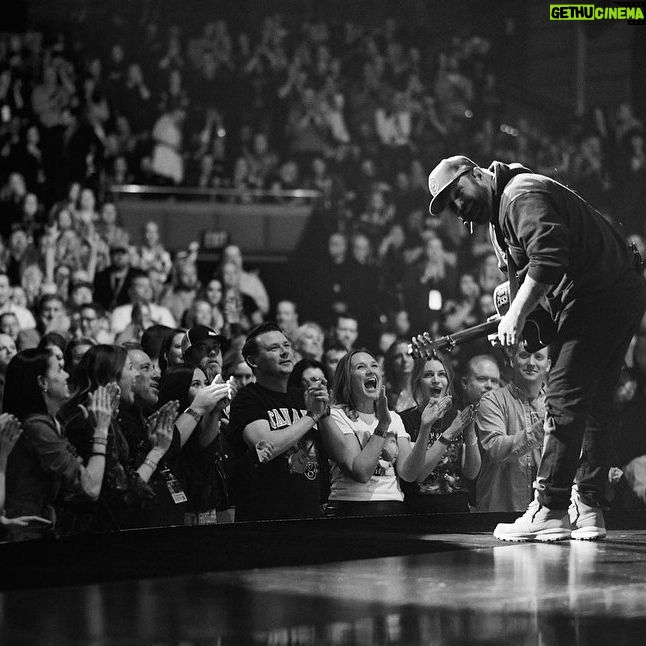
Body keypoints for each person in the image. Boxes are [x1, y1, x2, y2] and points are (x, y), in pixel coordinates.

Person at [427, 154, 646, 541]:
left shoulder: (519, 195)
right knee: (594, 403)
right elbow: (543, 292)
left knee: (561, 400)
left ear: (476, 173)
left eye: (457, 193)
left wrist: (514, 316)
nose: (459, 207)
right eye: (451, 205)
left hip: (594, 294)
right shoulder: (509, 203)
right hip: (619, 292)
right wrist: (521, 319)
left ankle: (550, 508)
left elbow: (548, 259)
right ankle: (590, 507)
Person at [3, 349, 111, 540]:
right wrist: (101, 432)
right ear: (42, 382)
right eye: (60, 369)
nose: (67, 374)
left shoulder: (51, 423)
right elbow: (90, 488)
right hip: (23, 535)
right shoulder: (36, 428)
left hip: (41, 529)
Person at [227, 322, 329, 521]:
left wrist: (325, 412)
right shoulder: (247, 399)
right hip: (266, 519)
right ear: (253, 360)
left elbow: (332, 455)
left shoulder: (303, 397)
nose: (284, 352)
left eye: (287, 346)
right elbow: (265, 446)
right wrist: (312, 416)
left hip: (310, 516)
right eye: (274, 348)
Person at [320, 349, 433, 517]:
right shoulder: (337, 416)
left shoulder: (394, 417)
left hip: (393, 508)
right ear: (347, 379)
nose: (370, 370)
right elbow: (361, 472)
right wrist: (383, 425)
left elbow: (409, 474)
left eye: (374, 365)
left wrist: (425, 427)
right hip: (351, 508)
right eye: (360, 367)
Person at [399, 351, 479, 513]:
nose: (436, 380)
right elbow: (418, 475)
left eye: (441, 374)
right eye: (428, 375)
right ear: (418, 382)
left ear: (448, 381)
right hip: (419, 512)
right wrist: (449, 433)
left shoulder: (457, 416)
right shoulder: (406, 420)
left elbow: (471, 473)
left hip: (457, 511)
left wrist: (470, 431)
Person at [475, 346, 550, 512]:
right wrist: (543, 426)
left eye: (538, 357)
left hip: (546, 515)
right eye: (524, 355)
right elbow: (496, 449)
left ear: (549, 364)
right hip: (499, 514)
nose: (531, 363)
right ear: (511, 360)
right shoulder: (491, 400)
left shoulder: (556, 403)